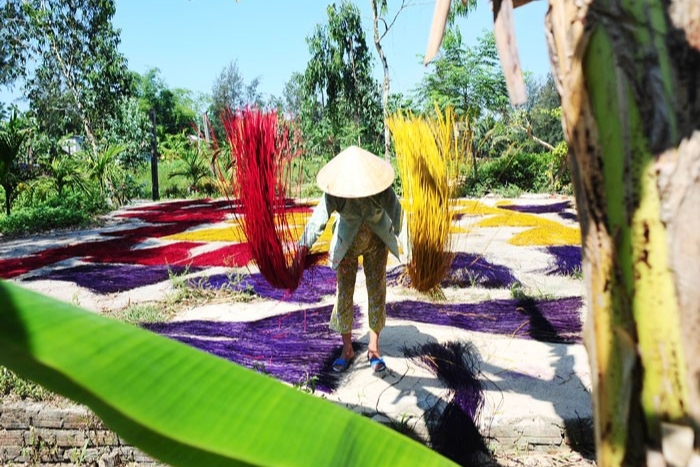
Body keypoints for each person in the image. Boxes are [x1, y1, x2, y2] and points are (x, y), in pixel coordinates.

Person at [298, 145, 403, 373]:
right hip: (347, 244)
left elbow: (397, 215)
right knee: (344, 293)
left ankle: (374, 348)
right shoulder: (337, 190)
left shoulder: (380, 188)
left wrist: (412, 253)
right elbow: (319, 219)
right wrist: (302, 247)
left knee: (377, 290)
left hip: (376, 243)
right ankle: (347, 349)